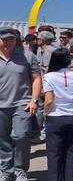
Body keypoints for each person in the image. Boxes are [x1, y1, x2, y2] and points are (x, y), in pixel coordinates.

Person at [0, 27, 42, 181]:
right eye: (4, 40)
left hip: (22, 103)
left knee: (21, 135)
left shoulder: (27, 56)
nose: (8, 43)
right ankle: (7, 172)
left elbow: (37, 78)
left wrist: (34, 100)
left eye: (11, 39)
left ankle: (20, 169)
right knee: (3, 140)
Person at [43, 48, 73, 181]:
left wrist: (46, 113)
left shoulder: (48, 76)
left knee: (54, 153)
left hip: (55, 117)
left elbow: (49, 100)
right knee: (72, 152)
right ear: (69, 60)